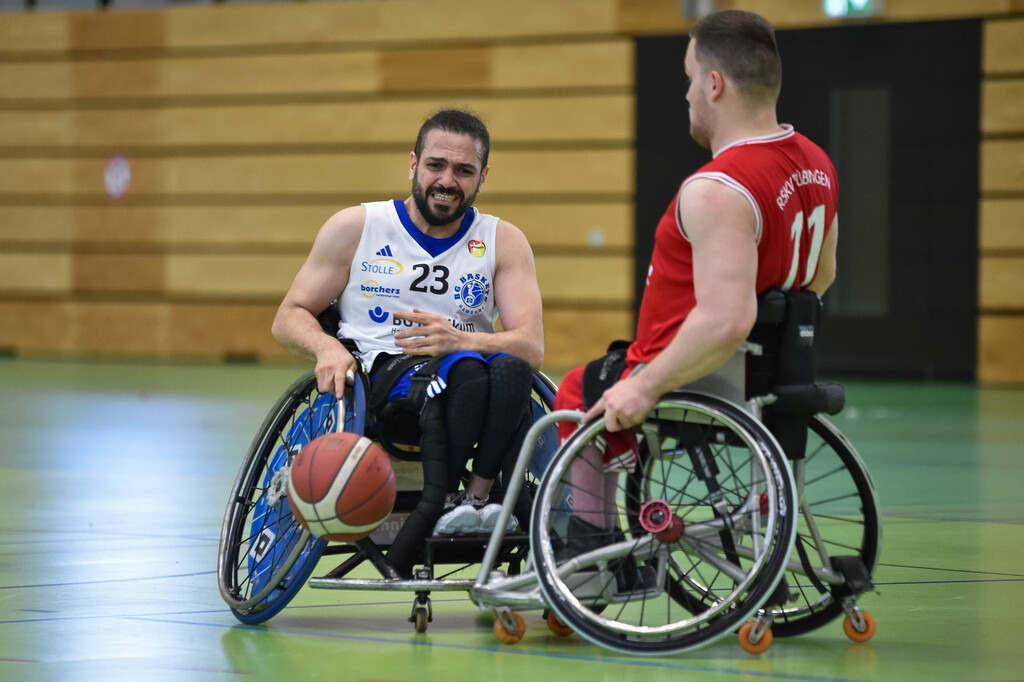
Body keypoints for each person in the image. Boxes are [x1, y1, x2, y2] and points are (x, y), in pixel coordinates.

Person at [553, 10, 839, 564]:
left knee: (579, 393)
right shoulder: (817, 165)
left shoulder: (718, 189)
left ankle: (583, 569)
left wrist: (644, 385)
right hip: (771, 371)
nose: (686, 94)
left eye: (689, 79)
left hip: (703, 372)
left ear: (715, 84)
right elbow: (820, 277)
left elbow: (726, 320)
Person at [272, 109, 544, 574]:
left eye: (464, 171)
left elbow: (531, 347)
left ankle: (476, 499)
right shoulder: (357, 227)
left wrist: (458, 339)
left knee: (506, 368)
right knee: (466, 371)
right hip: (385, 381)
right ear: (413, 164)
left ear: (482, 177)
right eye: (436, 165)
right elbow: (288, 316)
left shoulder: (503, 240)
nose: (447, 180)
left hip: (475, 374)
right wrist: (327, 347)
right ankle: (443, 505)